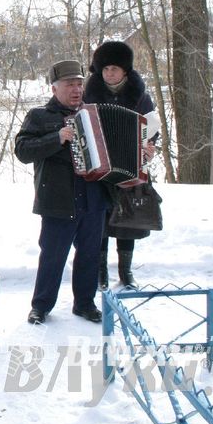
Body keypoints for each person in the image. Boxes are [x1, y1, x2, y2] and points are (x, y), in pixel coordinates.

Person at [15, 60, 109, 325]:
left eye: (79, 84)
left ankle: (84, 304)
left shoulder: (95, 114)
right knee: (53, 256)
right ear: (55, 88)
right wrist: (57, 138)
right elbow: (22, 151)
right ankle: (41, 306)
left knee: (90, 254)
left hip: (94, 198)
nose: (76, 89)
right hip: (58, 199)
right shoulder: (39, 116)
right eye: (70, 84)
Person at [83, 41, 157, 288]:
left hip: (131, 164)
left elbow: (151, 128)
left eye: (114, 68)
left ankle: (126, 271)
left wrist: (149, 147)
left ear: (125, 70)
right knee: (101, 219)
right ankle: (100, 270)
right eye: (104, 69)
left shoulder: (141, 96)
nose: (108, 73)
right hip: (100, 164)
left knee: (128, 219)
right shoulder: (89, 95)